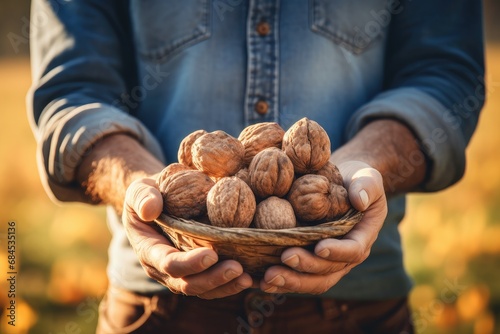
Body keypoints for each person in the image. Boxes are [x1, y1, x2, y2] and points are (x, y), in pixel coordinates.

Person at [27, 0, 485, 333]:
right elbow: (72, 92)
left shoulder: (295, 174)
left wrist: (363, 164)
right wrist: (138, 184)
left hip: (357, 308)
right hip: (159, 309)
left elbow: (446, 74)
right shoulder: (212, 174)